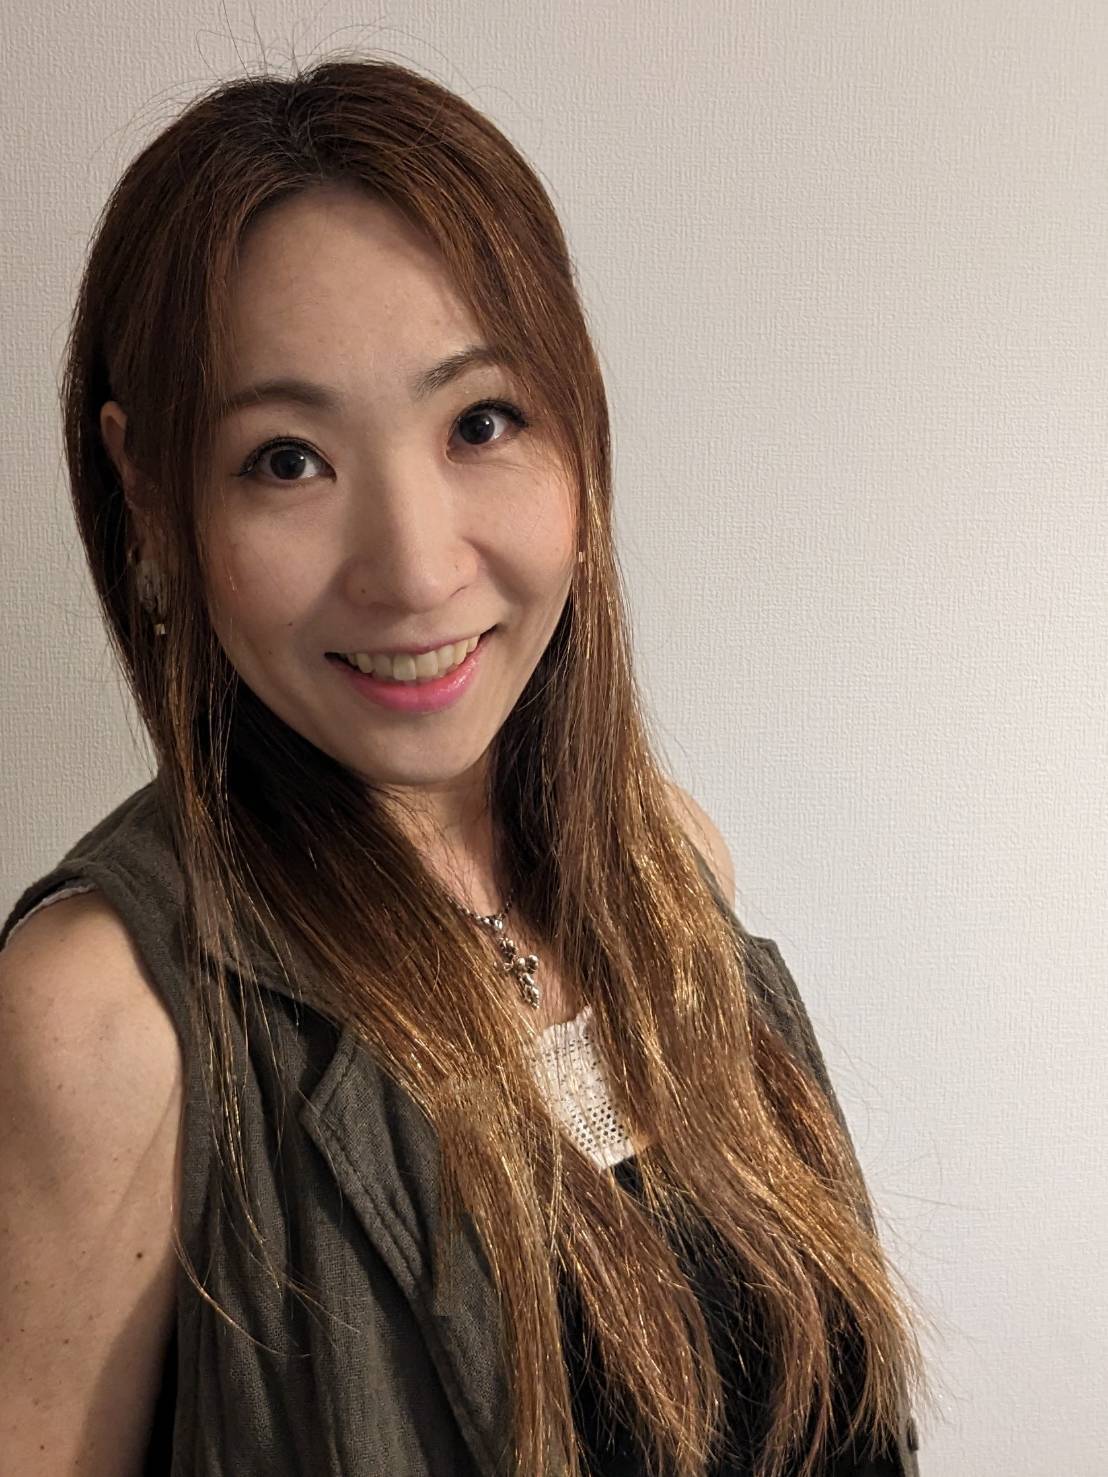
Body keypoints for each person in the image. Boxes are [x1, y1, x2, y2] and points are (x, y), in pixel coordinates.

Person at [0, 57, 929, 1477]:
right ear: (148, 487)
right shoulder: (105, 1016)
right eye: (287, 460)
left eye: (480, 423)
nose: (417, 569)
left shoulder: (672, 872)